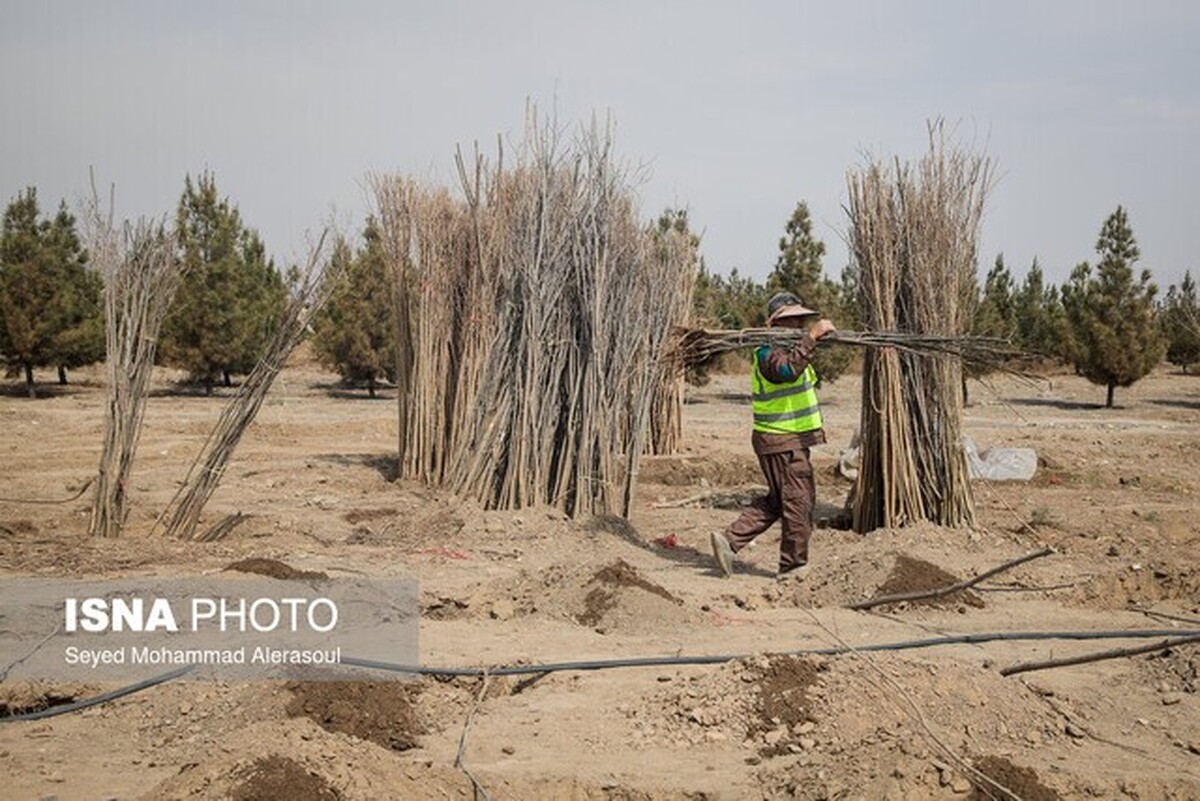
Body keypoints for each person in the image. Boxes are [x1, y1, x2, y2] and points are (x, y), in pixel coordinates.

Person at [711, 292, 836, 578]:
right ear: (776, 324)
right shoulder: (768, 353)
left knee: (780, 500)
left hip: (787, 439)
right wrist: (811, 339)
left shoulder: (788, 349)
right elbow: (787, 371)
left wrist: (808, 343)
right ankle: (793, 568)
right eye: (791, 320)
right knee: (799, 502)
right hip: (782, 441)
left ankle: (729, 541)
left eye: (801, 320)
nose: (798, 325)